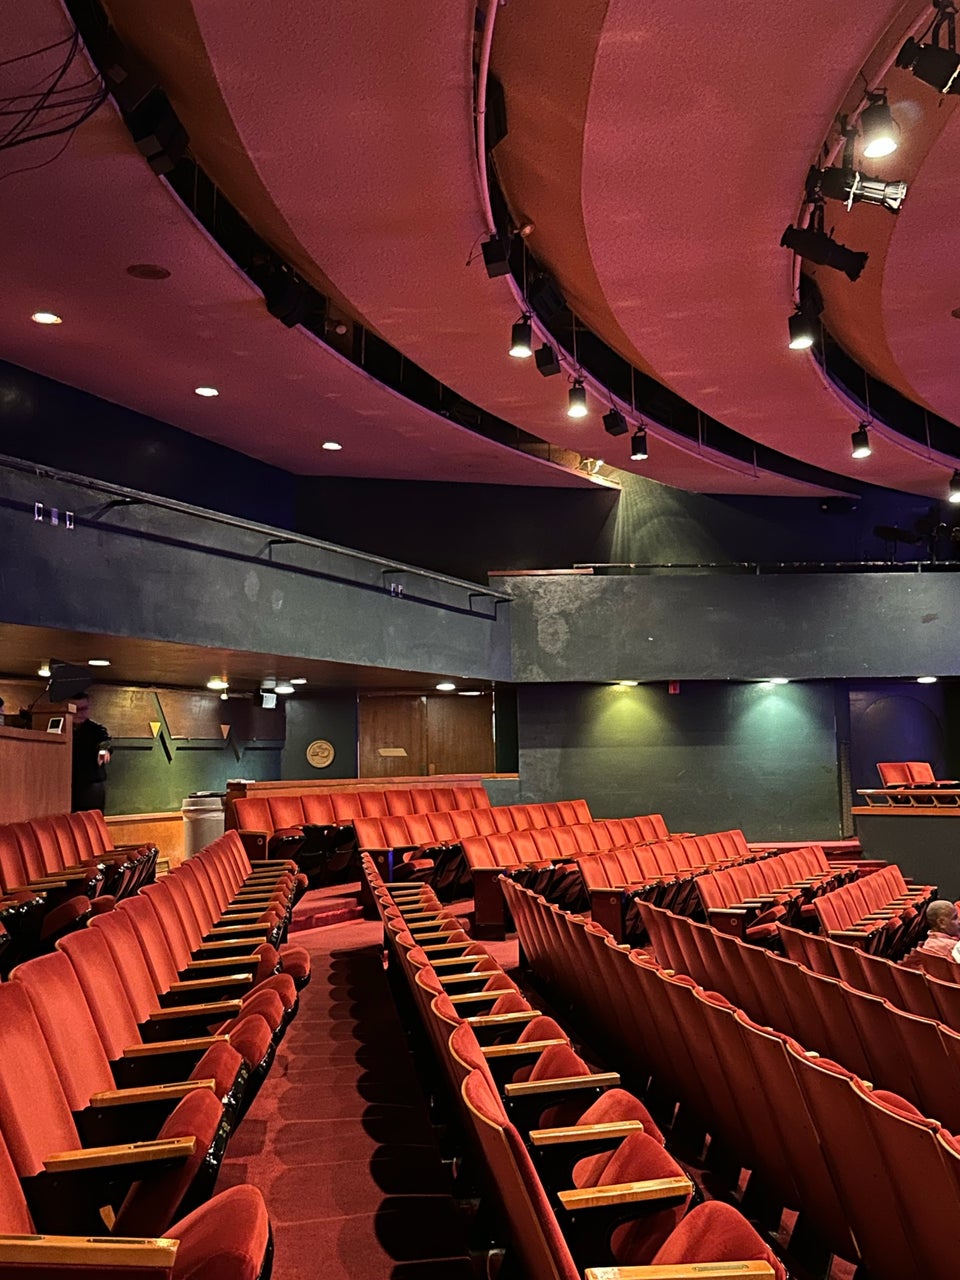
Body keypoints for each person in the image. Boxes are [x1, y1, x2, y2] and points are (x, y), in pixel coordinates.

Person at [70, 693, 111, 812]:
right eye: (75, 709)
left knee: (91, 824)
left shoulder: (96, 730)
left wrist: (103, 750)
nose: (79, 713)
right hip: (65, 785)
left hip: (90, 786)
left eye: (84, 709)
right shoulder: (60, 728)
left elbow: (104, 742)